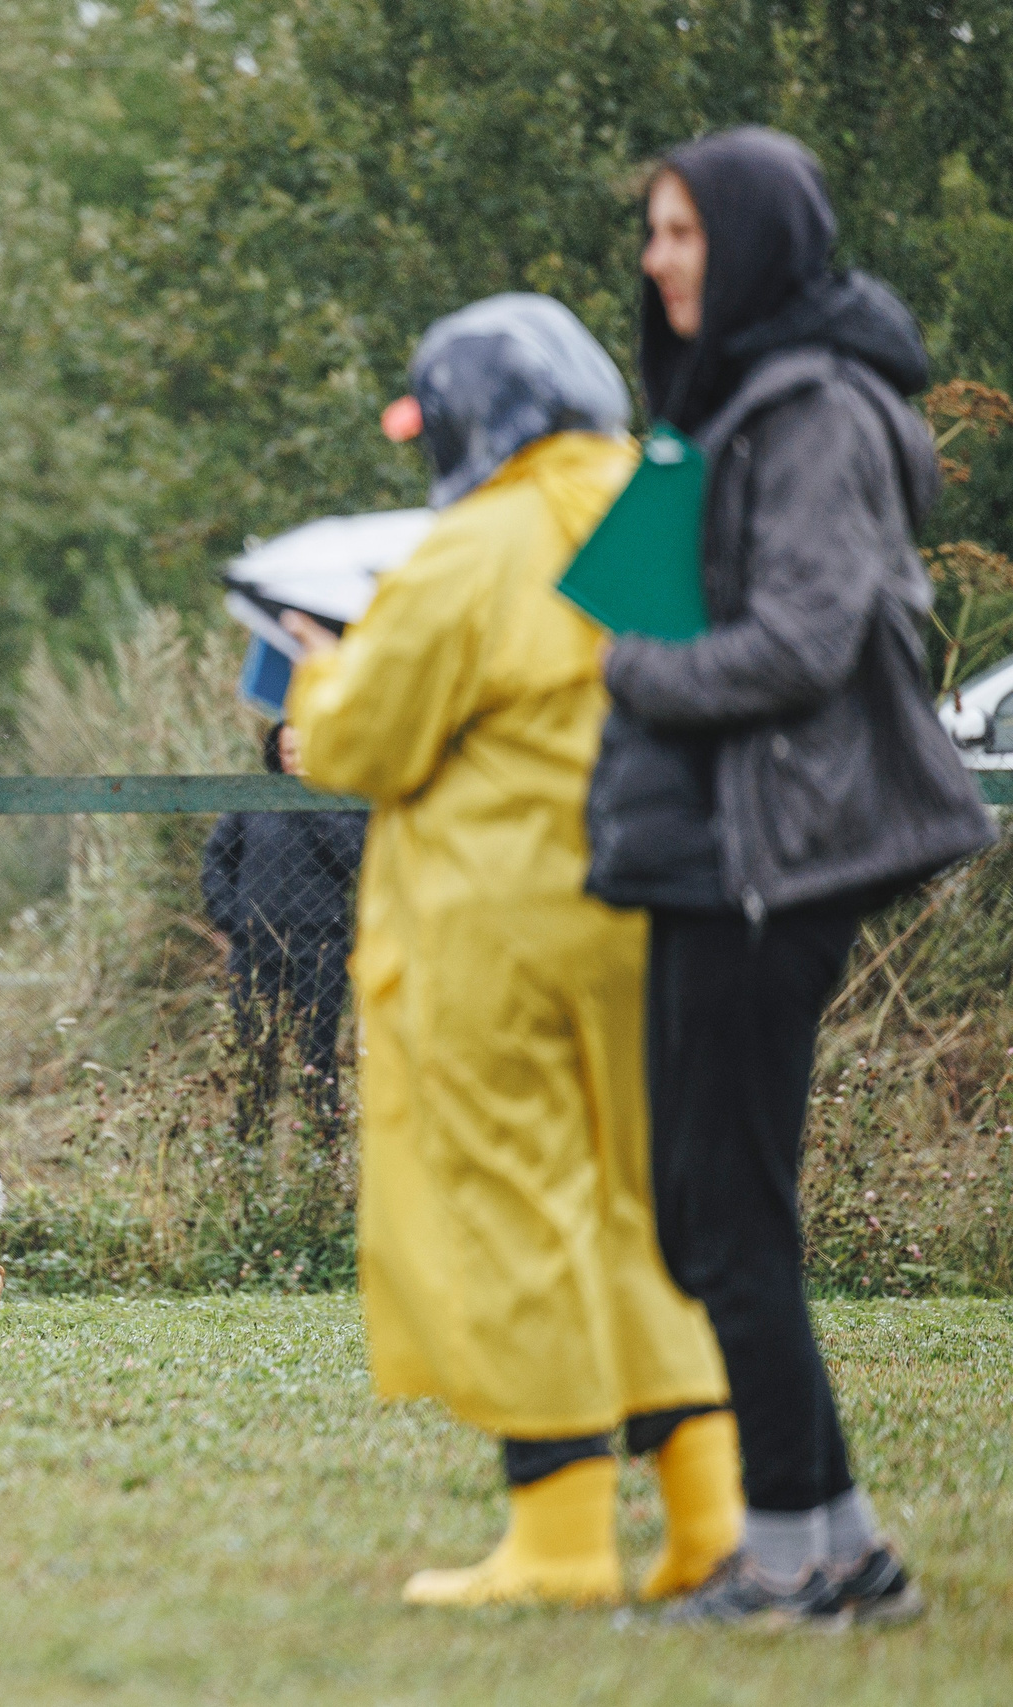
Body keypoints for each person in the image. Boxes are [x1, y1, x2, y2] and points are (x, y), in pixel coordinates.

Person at [587, 128, 994, 1626]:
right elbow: (665, 590)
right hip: (704, 857)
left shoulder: (815, 405)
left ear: (754, 240)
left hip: (771, 859)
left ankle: (783, 1556)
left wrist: (628, 656)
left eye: (685, 233)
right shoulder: (735, 400)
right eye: (655, 233)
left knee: (725, 1212)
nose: (658, 260)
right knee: (703, 1208)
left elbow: (806, 638)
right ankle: (843, 1543)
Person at [282, 293, 736, 1609]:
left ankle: (558, 1534)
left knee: (518, 1205)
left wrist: (320, 667)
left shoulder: (474, 546)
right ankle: (707, 1514)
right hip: (655, 902)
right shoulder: (664, 502)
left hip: (501, 922)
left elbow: (365, 743)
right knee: (640, 1213)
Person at [200, 721, 364, 1136]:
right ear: (277, 754)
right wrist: (233, 918)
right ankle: (249, 1156)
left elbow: (355, 857)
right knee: (255, 1058)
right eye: (289, 752)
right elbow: (216, 861)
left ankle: (321, 1156)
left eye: (306, 751)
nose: (296, 761)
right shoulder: (251, 801)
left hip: (321, 949)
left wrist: (313, 805)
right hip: (256, 952)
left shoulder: (344, 800)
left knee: (317, 1058)